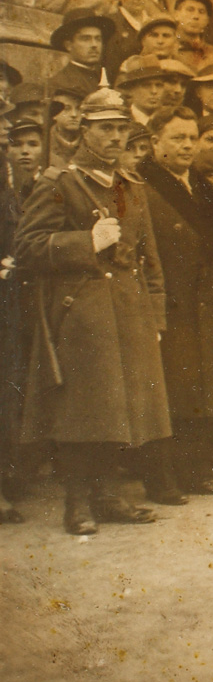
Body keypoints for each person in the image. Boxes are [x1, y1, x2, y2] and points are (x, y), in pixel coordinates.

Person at [15, 89, 172, 535]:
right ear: (84, 131)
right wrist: (87, 241)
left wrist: (155, 315)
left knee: (123, 407)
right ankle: (78, 502)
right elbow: (27, 247)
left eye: (121, 128)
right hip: (81, 312)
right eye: (105, 128)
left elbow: (148, 256)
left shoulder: (131, 185)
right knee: (84, 410)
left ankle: (107, 495)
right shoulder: (60, 183)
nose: (115, 137)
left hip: (129, 309)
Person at [138, 106, 213, 502]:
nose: (187, 146)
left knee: (200, 390)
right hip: (170, 304)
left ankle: (195, 469)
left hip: (208, 305)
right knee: (168, 392)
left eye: (191, 138)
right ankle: (161, 478)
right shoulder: (141, 187)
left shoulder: (205, 188)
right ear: (155, 142)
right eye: (177, 138)